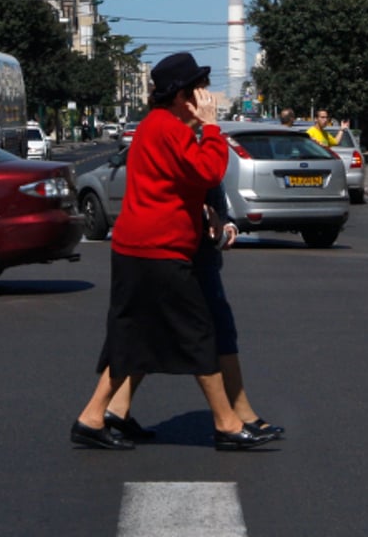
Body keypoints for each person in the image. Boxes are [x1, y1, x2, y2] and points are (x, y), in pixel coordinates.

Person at [70, 52, 277, 452]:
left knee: (132, 336)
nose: (206, 96)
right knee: (198, 335)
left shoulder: (158, 126)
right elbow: (207, 171)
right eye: (199, 89)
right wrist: (214, 130)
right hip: (158, 249)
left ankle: (94, 417)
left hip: (139, 246)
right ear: (182, 96)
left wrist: (208, 209)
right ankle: (227, 424)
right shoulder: (169, 127)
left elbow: (177, 184)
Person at [104, 182, 283, 442]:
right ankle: (235, 416)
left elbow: (209, 187)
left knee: (148, 331)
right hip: (184, 250)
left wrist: (225, 222)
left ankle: (113, 409)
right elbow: (184, 179)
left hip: (183, 246)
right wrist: (202, 211)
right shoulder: (182, 142)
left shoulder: (193, 142)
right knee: (213, 329)